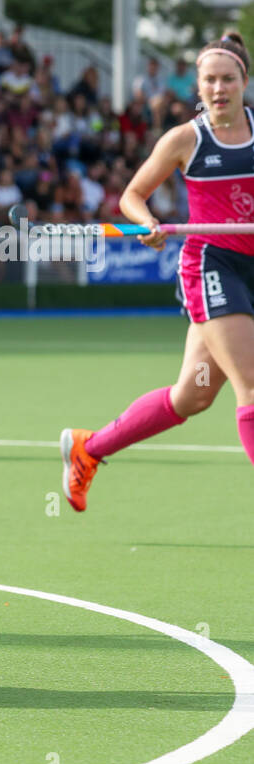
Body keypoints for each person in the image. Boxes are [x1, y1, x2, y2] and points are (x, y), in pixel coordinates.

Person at [61, 32, 254, 511]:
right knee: (250, 387)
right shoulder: (185, 139)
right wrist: (147, 223)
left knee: (194, 395)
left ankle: (90, 447)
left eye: (227, 78)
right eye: (208, 79)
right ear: (198, 85)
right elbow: (132, 195)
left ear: (244, 82)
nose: (217, 88)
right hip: (213, 266)